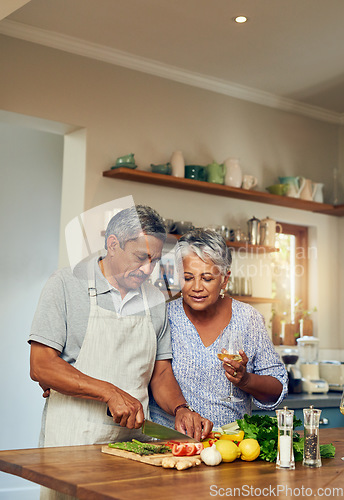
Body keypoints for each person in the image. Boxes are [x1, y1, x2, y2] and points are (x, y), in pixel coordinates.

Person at [29, 205, 212, 455]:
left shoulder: (156, 301)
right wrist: (109, 392)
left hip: (131, 444)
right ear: (113, 244)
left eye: (155, 261)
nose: (148, 269)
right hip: (70, 440)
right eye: (141, 258)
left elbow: (160, 375)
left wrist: (181, 408)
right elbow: (41, 366)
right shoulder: (65, 284)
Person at [150, 228, 288, 429]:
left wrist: (245, 380)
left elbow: (277, 389)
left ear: (225, 279)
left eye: (207, 278)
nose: (196, 287)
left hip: (231, 447)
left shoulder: (248, 319)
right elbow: (158, 376)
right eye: (188, 278)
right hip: (172, 444)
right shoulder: (165, 315)